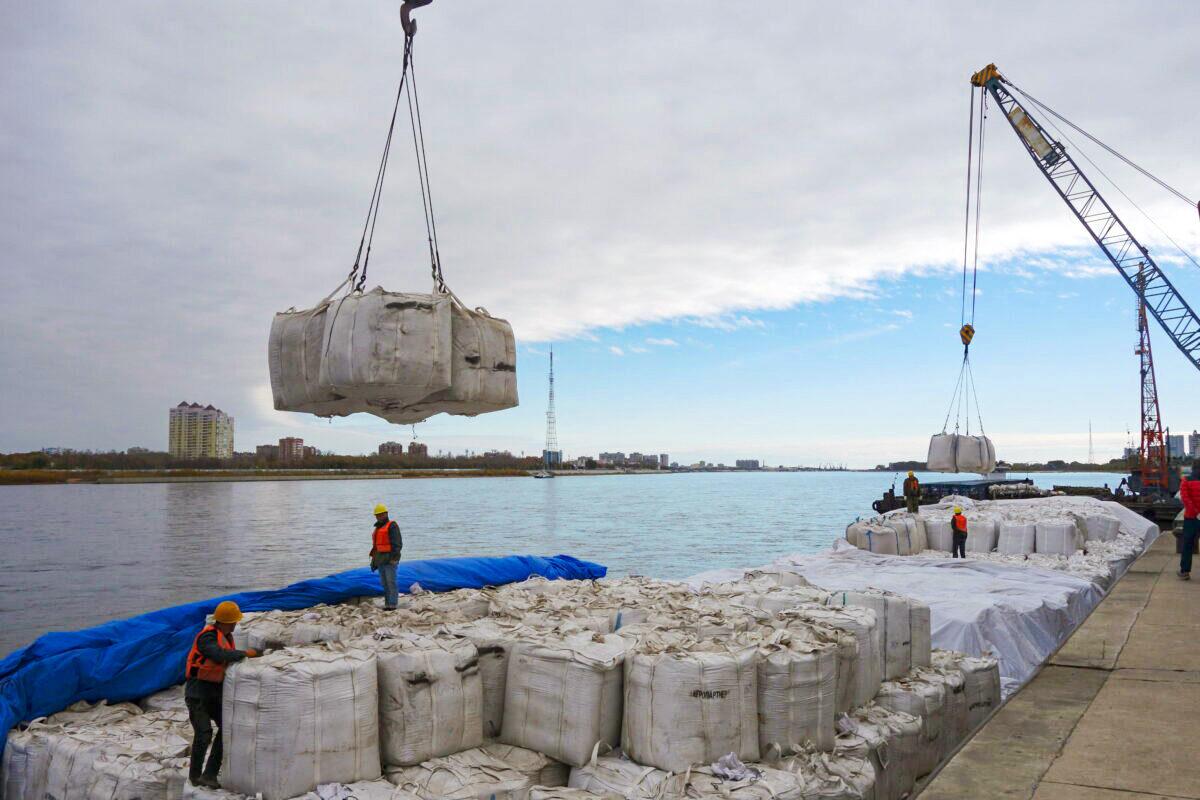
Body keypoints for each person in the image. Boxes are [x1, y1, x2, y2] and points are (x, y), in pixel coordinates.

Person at [185, 600, 259, 788]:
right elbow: (217, 655)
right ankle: (195, 777)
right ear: (226, 621)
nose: (236, 624)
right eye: (234, 621)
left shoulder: (226, 637)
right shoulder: (207, 637)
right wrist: (245, 653)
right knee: (204, 733)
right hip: (197, 692)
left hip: (214, 692)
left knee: (226, 728)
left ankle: (209, 774)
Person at [371, 502, 403, 609]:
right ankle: (387, 604)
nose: (379, 517)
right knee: (385, 584)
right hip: (380, 561)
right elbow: (376, 547)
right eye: (377, 515)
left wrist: (395, 558)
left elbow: (397, 544)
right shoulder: (377, 528)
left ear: (386, 514)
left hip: (390, 560)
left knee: (391, 583)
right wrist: (374, 562)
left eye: (381, 514)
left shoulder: (392, 526)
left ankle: (392, 605)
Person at [1179, 465, 1200, 580]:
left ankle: (1185, 571)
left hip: (1191, 517)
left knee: (1187, 544)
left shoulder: (1186, 481)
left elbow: (1185, 498)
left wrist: (1196, 512)